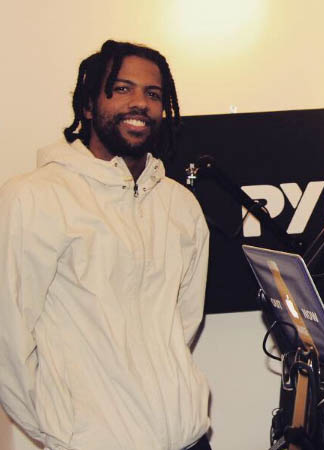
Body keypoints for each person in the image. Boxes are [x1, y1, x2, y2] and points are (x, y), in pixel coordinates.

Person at [0, 40, 212, 450]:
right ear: (88, 105)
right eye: (121, 88)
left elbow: (182, 324)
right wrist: (64, 433)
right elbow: (7, 339)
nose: (140, 103)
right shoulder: (34, 197)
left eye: (153, 94)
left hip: (188, 439)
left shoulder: (179, 205)